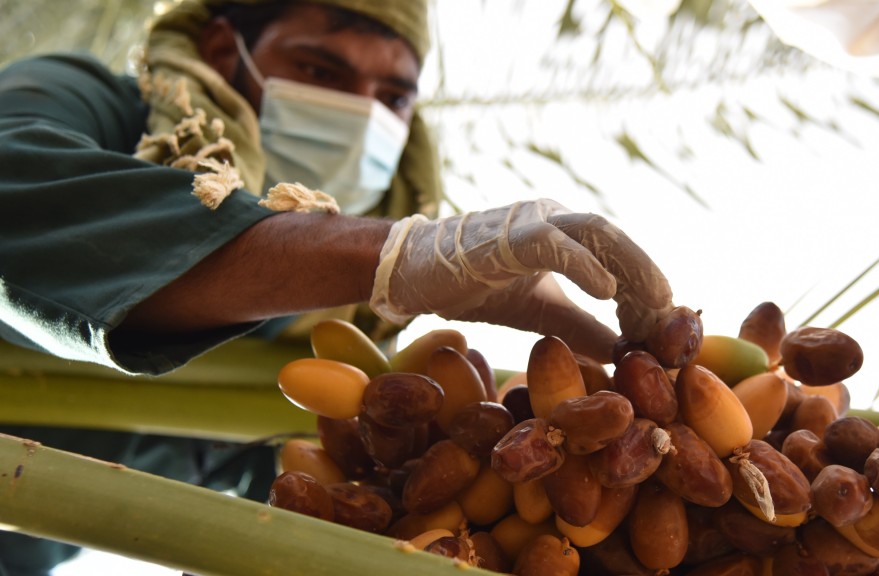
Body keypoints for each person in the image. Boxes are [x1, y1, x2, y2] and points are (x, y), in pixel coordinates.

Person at [0, 0, 673, 573]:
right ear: (223, 50)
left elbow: (306, 498)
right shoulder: (99, 103)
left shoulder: (359, 331)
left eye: (394, 98)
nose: (361, 114)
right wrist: (392, 256)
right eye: (321, 72)